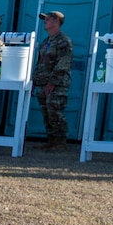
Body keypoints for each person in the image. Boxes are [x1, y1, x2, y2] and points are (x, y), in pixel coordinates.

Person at [31, 10, 74, 151]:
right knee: (46, 113)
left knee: (56, 112)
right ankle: (51, 141)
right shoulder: (47, 41)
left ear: (57, 21)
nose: (45, 21)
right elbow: (40, 62)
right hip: (43, 84)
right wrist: (34, 81)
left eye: (48, 19)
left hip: (57, 85)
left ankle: (61, 142)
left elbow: (64, 63)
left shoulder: (63, 41)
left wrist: (52, 82)